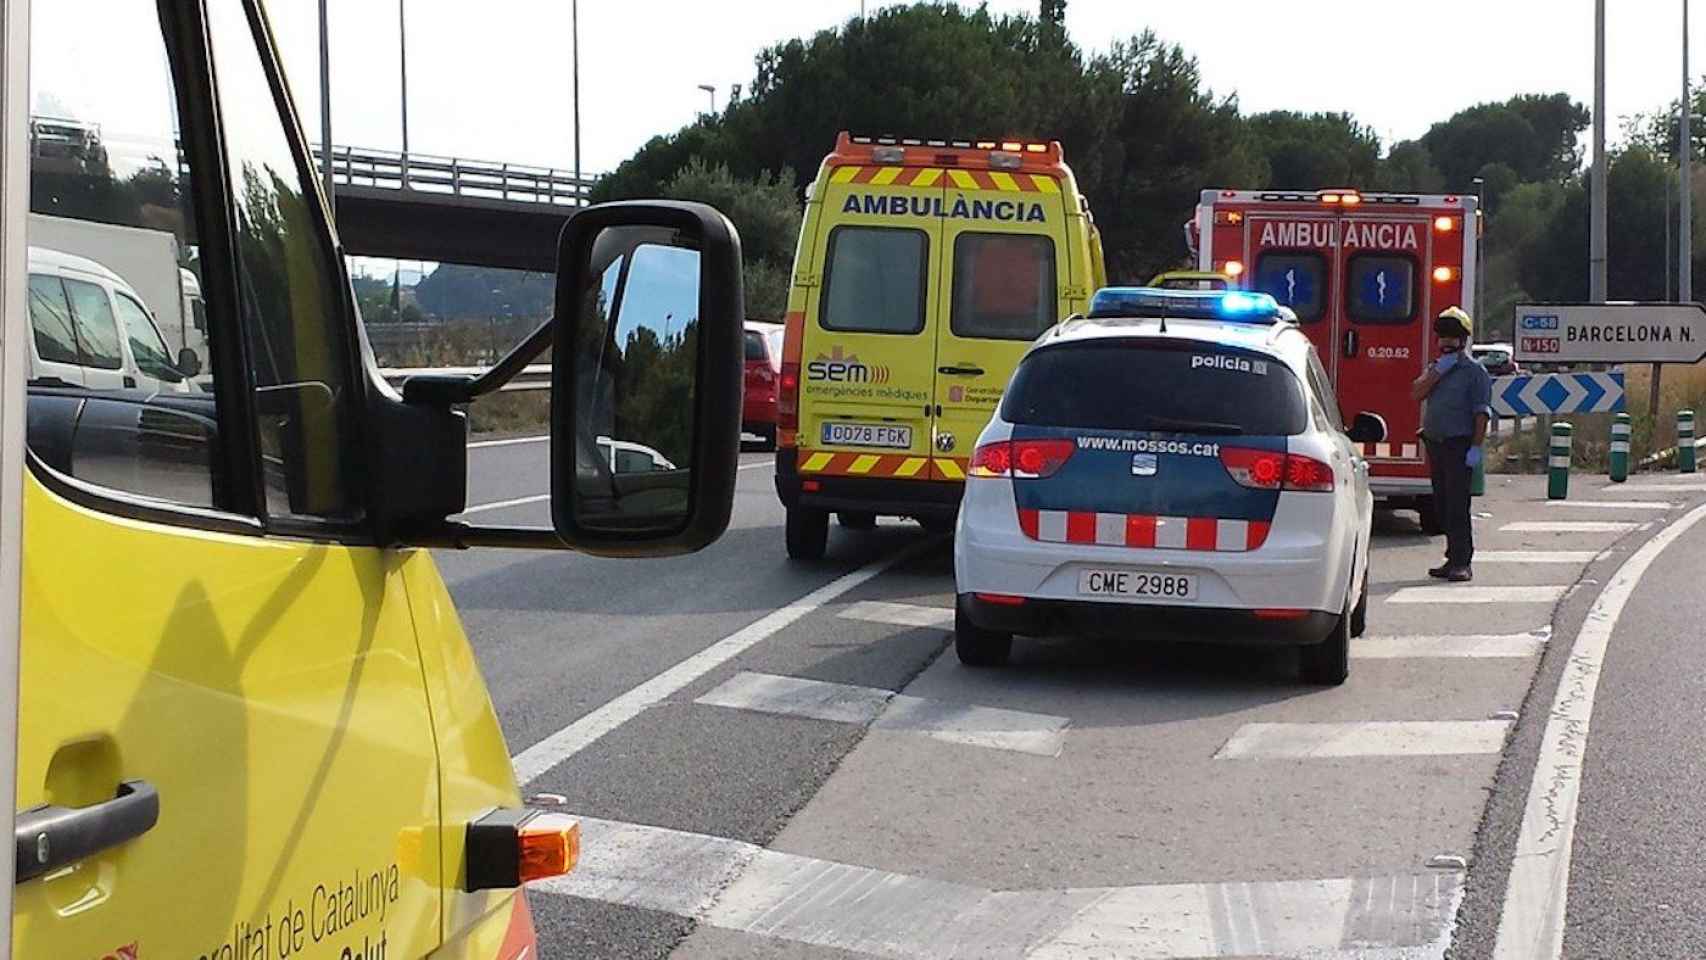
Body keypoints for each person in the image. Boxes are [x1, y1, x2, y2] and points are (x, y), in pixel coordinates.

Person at [1410, 306, 1491, 582]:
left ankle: (1462, 562)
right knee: (1442, 505)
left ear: (1464, 341)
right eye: (1443, 336)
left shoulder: (1474, 373)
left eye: (1453, 337)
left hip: (1459, 446)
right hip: (1436, 444)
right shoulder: (1435, 369)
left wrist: (1476, 448)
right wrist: (1438, 373)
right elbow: (1416, 393)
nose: (1446, 342)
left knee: (1457, 506)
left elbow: (1481, 413)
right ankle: (1451, 556)